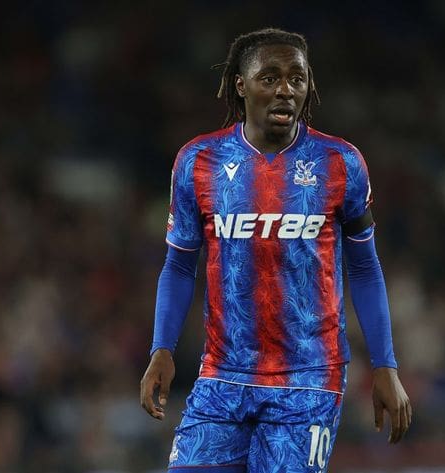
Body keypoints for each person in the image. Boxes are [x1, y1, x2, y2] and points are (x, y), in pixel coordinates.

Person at [140, 27, 412, 473]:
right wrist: (162, 348)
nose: (285, 89)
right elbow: (178, 265)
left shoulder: (340, 163)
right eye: (269, 78)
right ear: (240, 86)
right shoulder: (198, 162)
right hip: (221, 379)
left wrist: (385, 365)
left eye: (296, 79)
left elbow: (364, 268)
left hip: (308, 383)